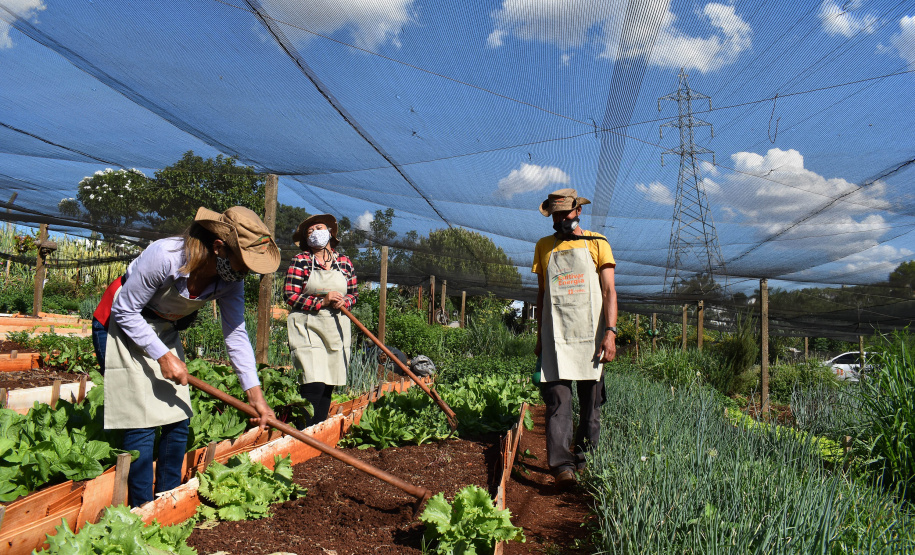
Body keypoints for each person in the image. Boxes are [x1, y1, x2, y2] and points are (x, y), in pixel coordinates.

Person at [92, 206, 280, 507]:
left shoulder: (230, 279)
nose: (244, 272)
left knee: (178, 418)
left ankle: (169, 500)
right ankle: (141, 510)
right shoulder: (165, 256)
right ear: (219, 247)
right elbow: (125, 310)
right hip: (120, 324)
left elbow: (235, 333)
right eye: (242, 263)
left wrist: (255, 394)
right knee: (141, 422)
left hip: (161, 328)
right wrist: (163, 356)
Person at [532, 188, 617, 489]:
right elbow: (543, 293)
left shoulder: (598, 243)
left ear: (578, 211)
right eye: (555, 215)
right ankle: (562, 467)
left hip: (591, 337)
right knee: (558, 402)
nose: (560, 220)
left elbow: (608, 291)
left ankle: (586, 461)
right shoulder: (544, 246)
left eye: (564, 214)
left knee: (591, 405)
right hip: (557, 336)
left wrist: (610, 333)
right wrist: (540, 337)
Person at [284, 214, 358, 427]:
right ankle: (302, 431)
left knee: (328, 383)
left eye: (319, 228)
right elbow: (290, 295)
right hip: (308, 326)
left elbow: (353, 293)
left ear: (330, 233)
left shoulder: (343, 262)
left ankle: (318, 431)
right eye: (310, 231)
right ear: (307, 240)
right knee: (312, 381)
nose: (315, 232)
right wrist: (322, 301)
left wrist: (345, 301)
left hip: (335, 327)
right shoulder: (301, 261)